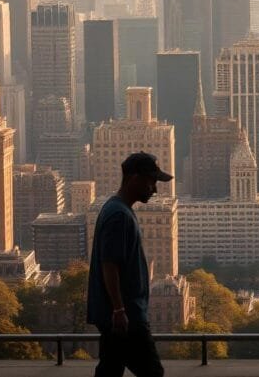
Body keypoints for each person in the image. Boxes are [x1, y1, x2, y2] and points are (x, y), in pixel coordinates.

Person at [87, 151, 172, 377]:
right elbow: (109, 264)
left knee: (110, 370)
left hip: (119, 314)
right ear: (134, 178)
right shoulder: (119, 215)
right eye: (151, 181)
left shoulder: (117, 209)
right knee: (153, 372)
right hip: (127, 316)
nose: (155, 189)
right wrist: (119, 309)